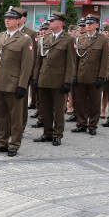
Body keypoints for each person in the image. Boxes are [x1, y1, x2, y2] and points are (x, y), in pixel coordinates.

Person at [0, 7, 33, 157]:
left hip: (14, 84)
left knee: (16, 117)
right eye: (6, 17)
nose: (7, 20)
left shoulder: (25, 40)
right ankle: (2, 142)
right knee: (1, 115)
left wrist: (22, 85)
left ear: (18, 20)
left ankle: (14, 144)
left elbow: (27, 65)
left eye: (11, 18)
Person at [32, 11, 76, 146]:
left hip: (58, 80)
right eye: (49, 21)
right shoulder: (45, 38)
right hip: (44, 78)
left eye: (52, 21)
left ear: (60, 23)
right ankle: (47, 132)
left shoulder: (68, 39)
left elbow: (71, 62)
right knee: (45, 108)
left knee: (58, 109)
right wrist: (36, 77)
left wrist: (68, 81)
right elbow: (39, 60)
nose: (49, 23)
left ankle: (57, 134)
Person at [71, 15, 109, 136]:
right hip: (81, 74)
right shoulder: (80, 39)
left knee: (94, 102)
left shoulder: (103, 40)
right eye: (86, 23)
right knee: (80, 102)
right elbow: (75, 59)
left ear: (96, 25)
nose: (88, 25)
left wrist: (101, 76)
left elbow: (105, 61)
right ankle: (81, 124)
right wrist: (74, 75)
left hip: (94, 75)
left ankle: (92, 125)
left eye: (91, 23)